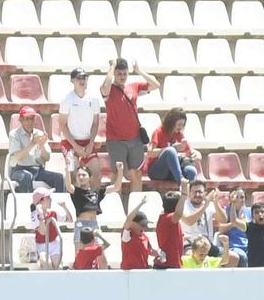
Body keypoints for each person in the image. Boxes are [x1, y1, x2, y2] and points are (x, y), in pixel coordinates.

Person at [101, 58, 155, 206]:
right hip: (116, 140)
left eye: (124, 73)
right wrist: (111, 67)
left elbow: (155, 85)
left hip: (135, 138)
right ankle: (115, 207)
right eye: (119, 74)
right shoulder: (110, 89)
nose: (122, 76)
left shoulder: (134, 86)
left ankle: (135, 207)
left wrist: (139, 71)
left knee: (136, 173)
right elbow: (104, 88)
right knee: (117, 174)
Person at [54, 69, 104, 179]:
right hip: (69, 142)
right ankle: (73, 195)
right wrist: (75, 146)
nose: (82, 80)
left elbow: (95, 124)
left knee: (96, 172)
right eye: (79, 78)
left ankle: (93, 196)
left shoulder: (94, 99)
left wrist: (91, 143)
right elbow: (62, 125)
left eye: (84, 77)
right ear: (72, 80)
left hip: (87, 141)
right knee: (73, 172)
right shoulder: (67, 99)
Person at [6, 107, 64, 194]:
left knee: (59, 178)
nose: (30, 122)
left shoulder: (39, 133)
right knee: (26, 176)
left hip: (38, 170)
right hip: (19, 169)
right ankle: (28, 206)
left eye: (32, 119)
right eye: (27, 119)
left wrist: (41, 146)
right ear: (21, 120)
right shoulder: (14, 134)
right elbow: (16, 157)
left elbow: (47, 158)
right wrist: (32, 143)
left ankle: (57, 205)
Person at [142, 109, 199, 186]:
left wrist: (196, 154)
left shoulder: (179, 134)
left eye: (182, 125)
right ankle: (181, 182)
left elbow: (189, 151)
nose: (181, 127)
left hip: (172, 172)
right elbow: (150, 152)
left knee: (190, 171)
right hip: (157, 171)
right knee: (170, 151)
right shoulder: (159, 132)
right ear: (171, 122)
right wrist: (171, 148)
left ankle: (192, 192)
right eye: (179, 124)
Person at [29, 183, 67, 268]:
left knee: (59, 267)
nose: (51, 199)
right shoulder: (34, 215)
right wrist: (41, 216)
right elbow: (43, 232)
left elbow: (69, 220)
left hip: (54, 244)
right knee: (47, 264)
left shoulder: (53, 213)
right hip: (41, 247)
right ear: (41, 201)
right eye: (48, 197)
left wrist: (65, 207)